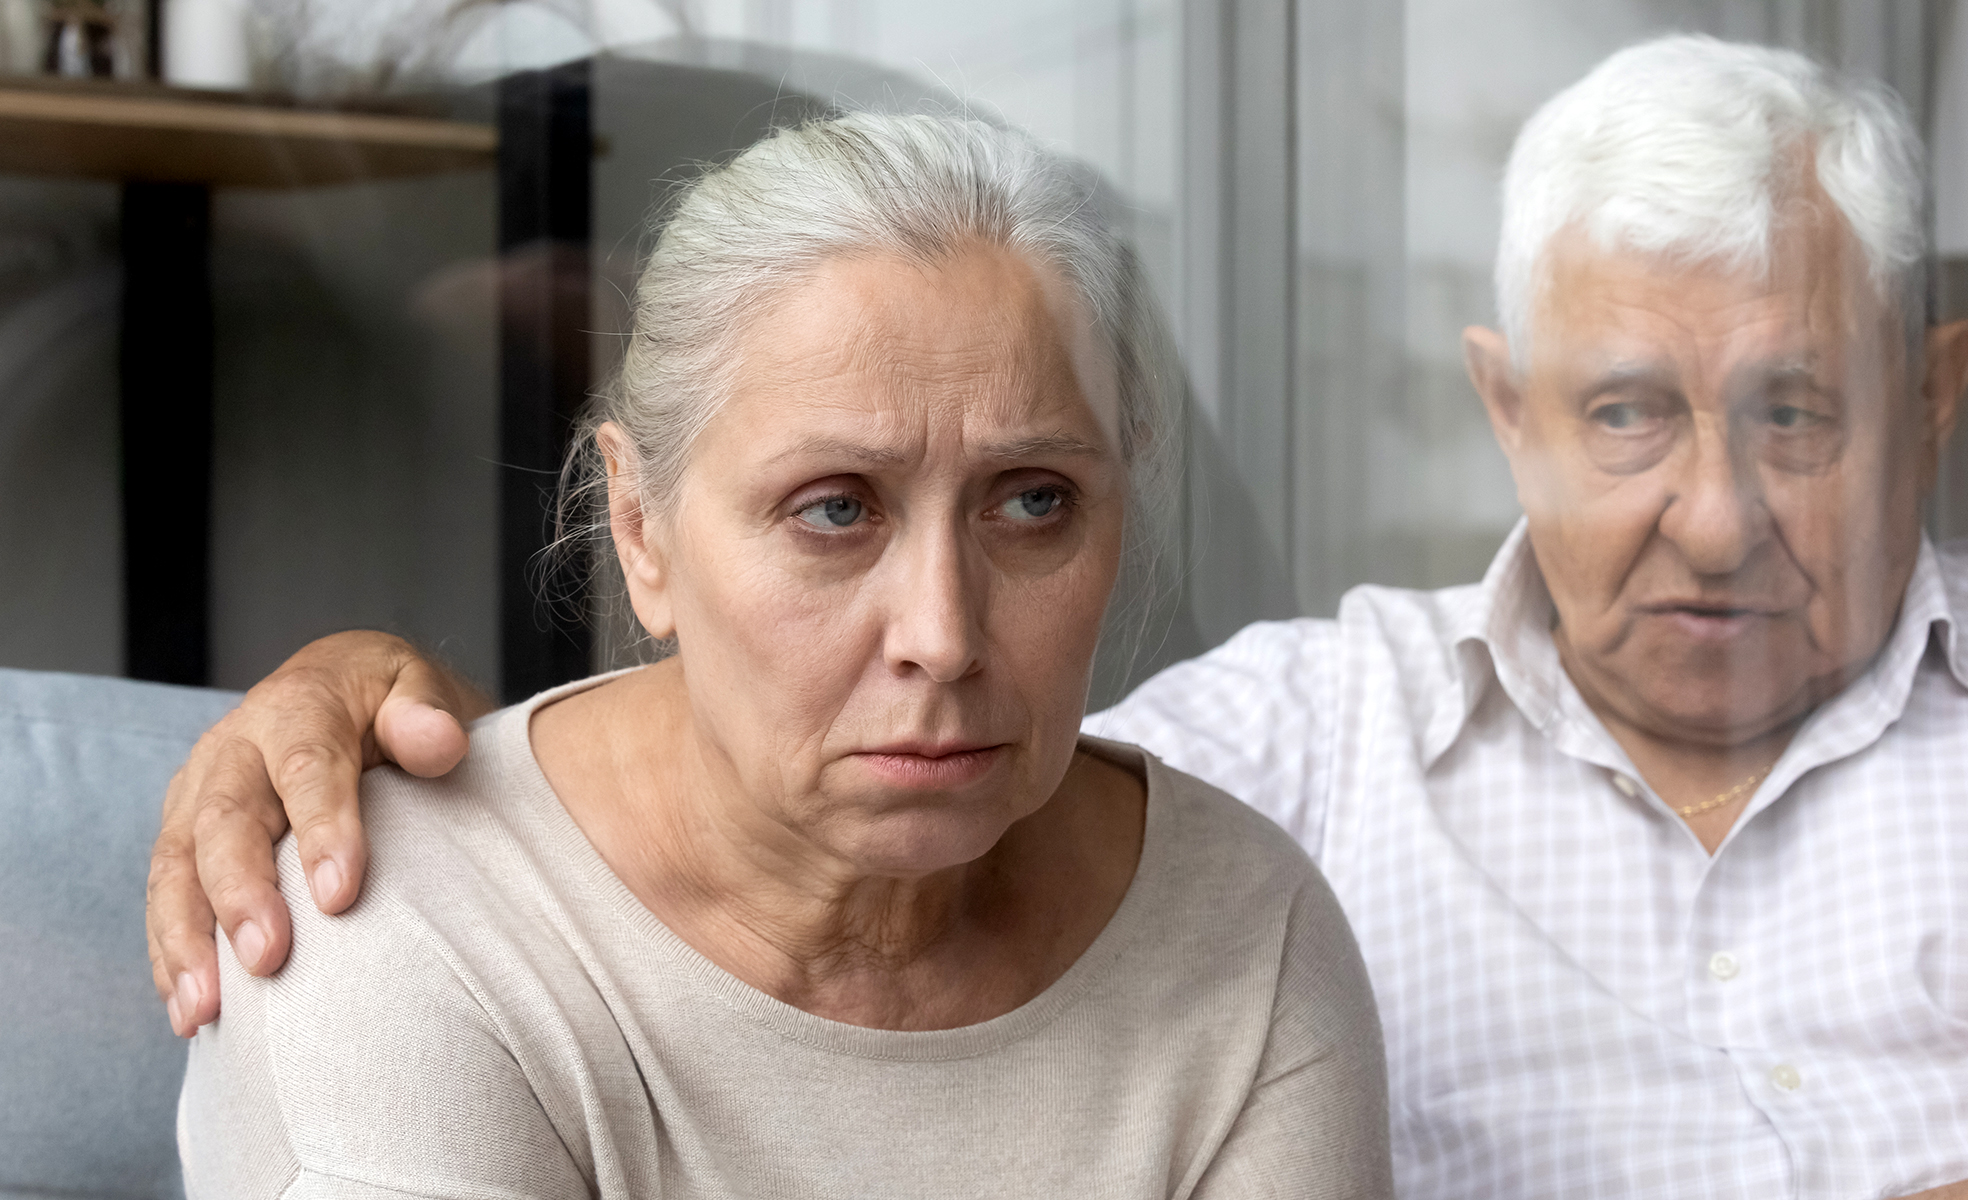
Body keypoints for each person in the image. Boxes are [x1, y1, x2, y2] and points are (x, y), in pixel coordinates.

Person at [152, 36, 1968, 1200]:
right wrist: (341, 701)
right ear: (1510, 410)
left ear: (1936, 398)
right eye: (1630, 411)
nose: (949, 635)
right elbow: (688, 845)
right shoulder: (1306, 758)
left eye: (1796, 411)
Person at [171, 111, 1391, 1198]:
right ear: (641, 531)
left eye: (1031, 503)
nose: (944, 638)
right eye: (835, 509)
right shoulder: (400, 947)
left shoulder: (1238, 928)